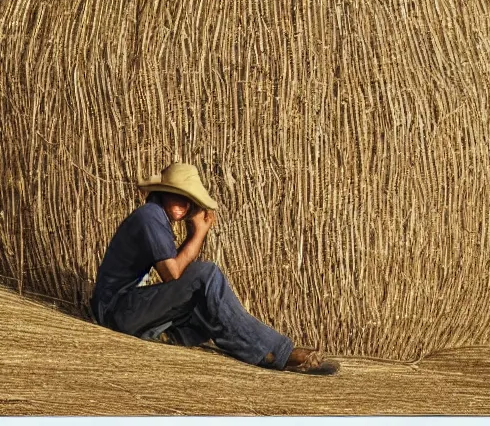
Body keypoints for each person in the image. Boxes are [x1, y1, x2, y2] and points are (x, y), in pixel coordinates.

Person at [91, 161, 338, 375]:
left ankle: (174, 337)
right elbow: (172, 273)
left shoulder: (156, 216)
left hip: (127, 310)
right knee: (206, 274)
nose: (183, 204)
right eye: (177, 195)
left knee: (205, 299)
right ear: (162, 193)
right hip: (117, 311)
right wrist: (199, 232)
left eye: (188, 200)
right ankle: (276, 353)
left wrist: (193, 233)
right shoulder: (150, 216)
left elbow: (174, 279)